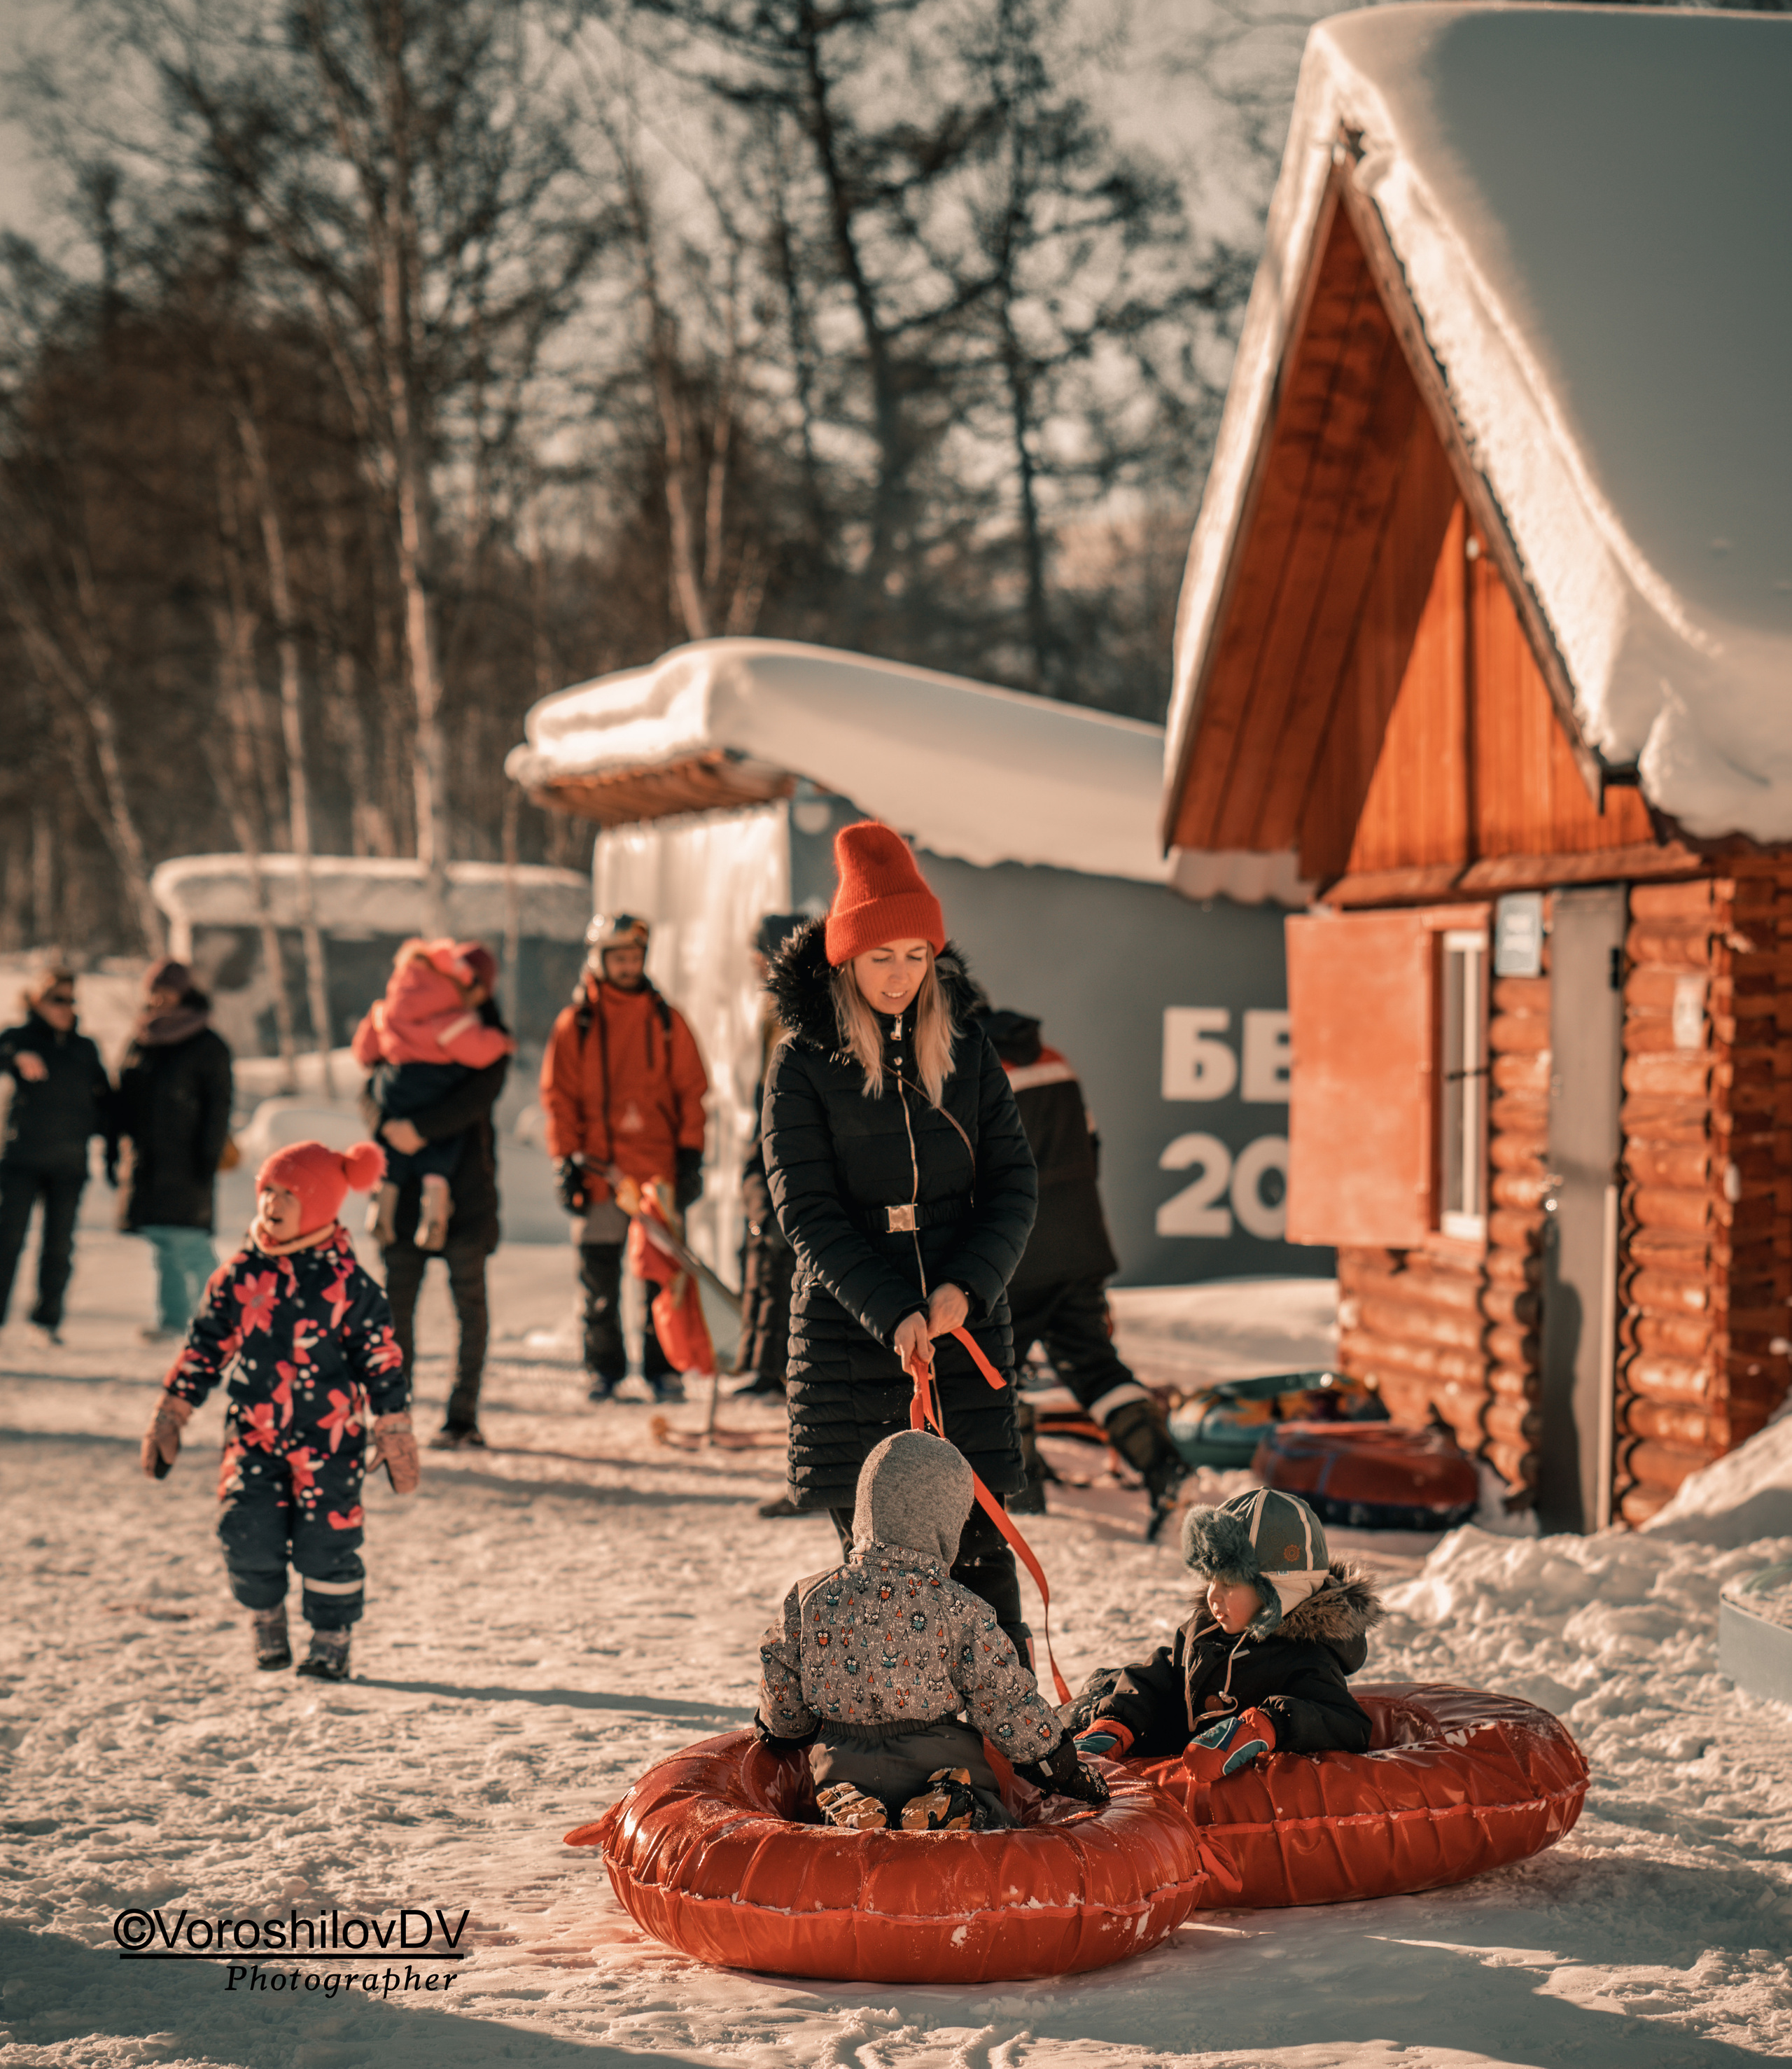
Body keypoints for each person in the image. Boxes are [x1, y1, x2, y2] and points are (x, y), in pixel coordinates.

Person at [760, 823, 1039, 1659]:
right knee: (883, 1573)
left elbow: (1014, 1187)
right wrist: (891, 1311)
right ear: (846, 958)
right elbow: (803, 1210)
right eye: (883, 956)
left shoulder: (966, 1046)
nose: (900, 976)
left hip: (962, 1329)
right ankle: (900, 1754)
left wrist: (965, 1291)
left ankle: (1019, 1748)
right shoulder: (801, 1064)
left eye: (917, 955)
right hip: (855, 1340)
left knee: (983, 1562)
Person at [139, 1140, 415, 1683]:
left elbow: (381, 1358)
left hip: (330, 1441)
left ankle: (331, 1635)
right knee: (245, 1529)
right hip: (254, 1436)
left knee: (329, 1540)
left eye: (291, 1193)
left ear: (320, 1204)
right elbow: (204, 1347)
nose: (272, 1203)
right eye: (267, 1189)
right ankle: (266, 1617)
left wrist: (394, 1425)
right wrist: (172, 1411)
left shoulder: (350, 1286)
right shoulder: (241, 1276)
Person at [755, 1429, 1108, 1830]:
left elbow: (779, 1668)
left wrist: (785, 1732)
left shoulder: (810, 1597)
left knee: (837, 1785)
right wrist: (1054, 1763)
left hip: (841, 1755)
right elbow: (1002, 1695)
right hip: (940, 1755)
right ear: (947, 1521)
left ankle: (849, 1805)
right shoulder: (960, 1608)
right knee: (988, 1814)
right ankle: (952, 1800)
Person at [974, 1005, 1189, 1541]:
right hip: (1081, 1245)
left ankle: (1022, 1491)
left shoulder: (974, 1070)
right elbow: (1091, 1147)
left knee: (992, 1369)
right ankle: (1167, 1469)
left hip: (1016, 1252)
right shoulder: (1054, 1060)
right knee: (1096, 1368)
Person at [1068, 1489, 1385, 1778]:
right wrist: (1118, 1722)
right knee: (1105, 1686)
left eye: (1229, 1584)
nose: (1212, 1596)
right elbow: (1164, 1674)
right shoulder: (1204, 1629)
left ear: (1277, 1591)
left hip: (1220, 1792)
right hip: (1170, 1752)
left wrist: (1265, 1726)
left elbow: (1347, 1723)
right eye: (1210, 1581)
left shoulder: (1304, 1657)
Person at [541, 912, 708, 1405]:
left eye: (635, 956)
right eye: (619, 957)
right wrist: (562, 1162)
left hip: (657, 1174)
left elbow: (692, 1093)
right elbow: (559, 1098)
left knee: (660, 1279)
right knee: (599, 1280)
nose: (628, 965)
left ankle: (665, 1370)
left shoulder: (667, 1021)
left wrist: (691, 1155)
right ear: (600, 960)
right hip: (598, 1174)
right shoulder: (577, 1025)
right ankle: (604, 1370)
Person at [360, 941, 509, 1451]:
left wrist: (417, 1130)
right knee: (396, 1310)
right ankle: (394, 1415)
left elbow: (476, 1098)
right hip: (405, 1200)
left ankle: (462, 1416)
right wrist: (387, 1125)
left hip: (466, 1195)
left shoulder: (484, 1040)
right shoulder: (412, 1023)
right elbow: (372, 1086)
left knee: (469, 1308)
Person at [351, 938, 517, 1251]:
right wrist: (503, 1042)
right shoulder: (453, 1023)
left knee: (391, 1157)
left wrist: (391, 1125)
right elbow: (480, 1056)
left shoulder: (390, 1011)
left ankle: (381, 1203)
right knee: (440, 1153)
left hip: (397, 1096)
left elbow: (366, 1057)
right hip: (439, 1114)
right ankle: (435, 1210)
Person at [115, 959, 234, 1342]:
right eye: (153, 989)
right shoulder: (142, 1039)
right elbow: (125, 1095)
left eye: (166, 989)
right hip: (148, 1159)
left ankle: (224, 1320)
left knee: (191, 1242)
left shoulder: (207, 1044)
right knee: (164, 1244)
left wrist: (208, 1156)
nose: (158, 997)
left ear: (184, 992)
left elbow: (219, 1106)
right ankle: (173, 1320)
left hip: (189, 1159)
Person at [0, 968, 115, 1346]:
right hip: (21, 1161)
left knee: (59, 1245)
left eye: (70, 999)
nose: (66, 1007)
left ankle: (47, 1320)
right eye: (57, 999)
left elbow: (106, 1101)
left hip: (69, 1163)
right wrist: (16, 1055)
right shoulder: (18, 1039)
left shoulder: (84, 1048)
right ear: (36, 1001)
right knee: (8, 1240)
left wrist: (113, 1150)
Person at [736, 912, 806, 1404]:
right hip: (763, 1131)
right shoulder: (772, 1007)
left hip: (783, 1136)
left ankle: (778, 1368)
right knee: (763, 1247)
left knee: (781, 1252)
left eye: (761, 953)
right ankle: (759, 1363)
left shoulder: (795, 1011)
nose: (755, 964)